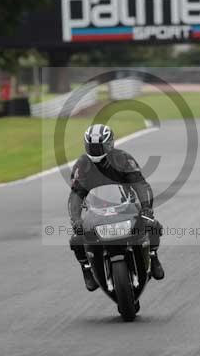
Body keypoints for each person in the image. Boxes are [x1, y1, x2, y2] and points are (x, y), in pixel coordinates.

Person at [68, 124, 165, 291]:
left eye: (100, 146)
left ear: (110, 144)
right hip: (96, 211)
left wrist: (146, 207)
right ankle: (87, 269)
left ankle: (153, 255)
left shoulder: (123, 159)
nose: (96, 149)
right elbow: (76, 195)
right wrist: (76, 220)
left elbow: (140, 184)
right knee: (77, 238)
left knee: (152, 225)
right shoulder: (81, 165)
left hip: (125, 206)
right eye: (92, 146)